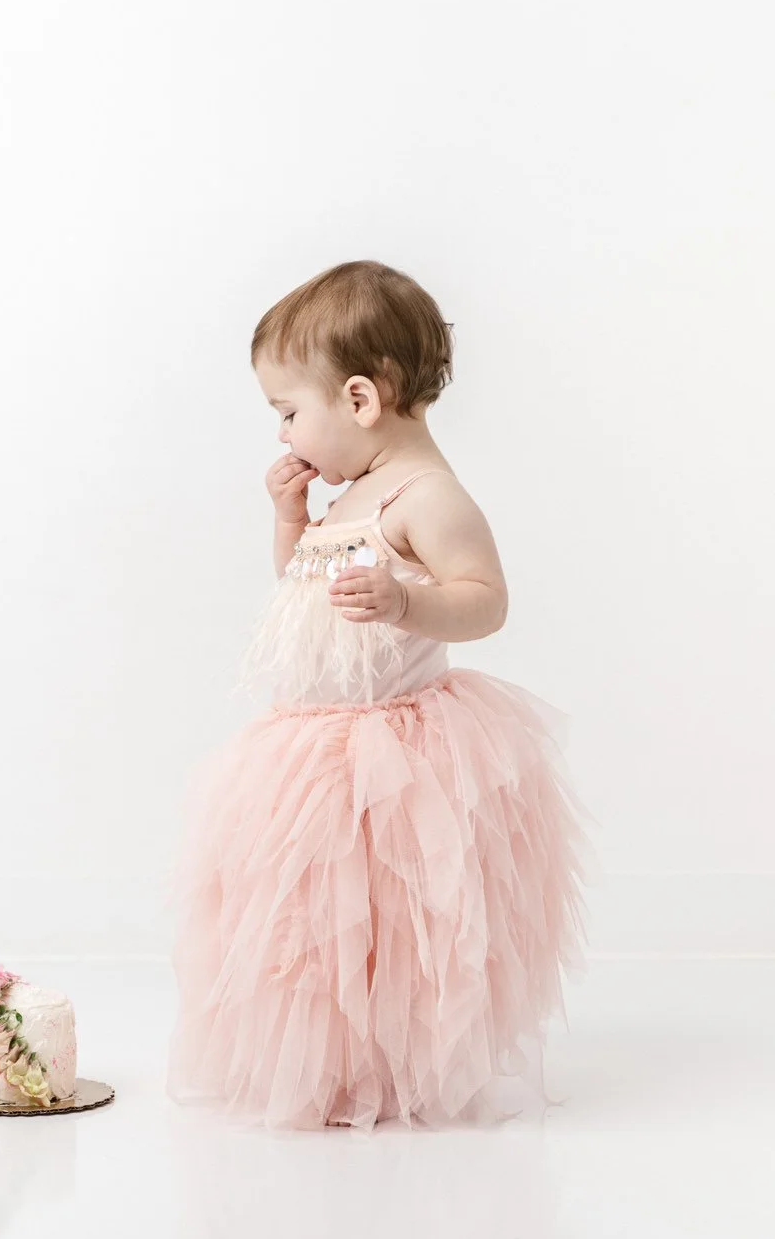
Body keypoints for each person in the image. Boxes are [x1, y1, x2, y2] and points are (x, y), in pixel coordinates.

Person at [166, 260, 589, 1130]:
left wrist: (409, 599)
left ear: (360, 399)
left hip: (396, 753)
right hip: (312, 750)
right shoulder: (346, 494)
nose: (285, 438)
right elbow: (304, 591)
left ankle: (395, 1066)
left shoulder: (425, 498)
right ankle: (333, 1063)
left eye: (290, 413)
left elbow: (486, 598)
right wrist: (291, 522)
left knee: (397, 920)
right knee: (314, 922)